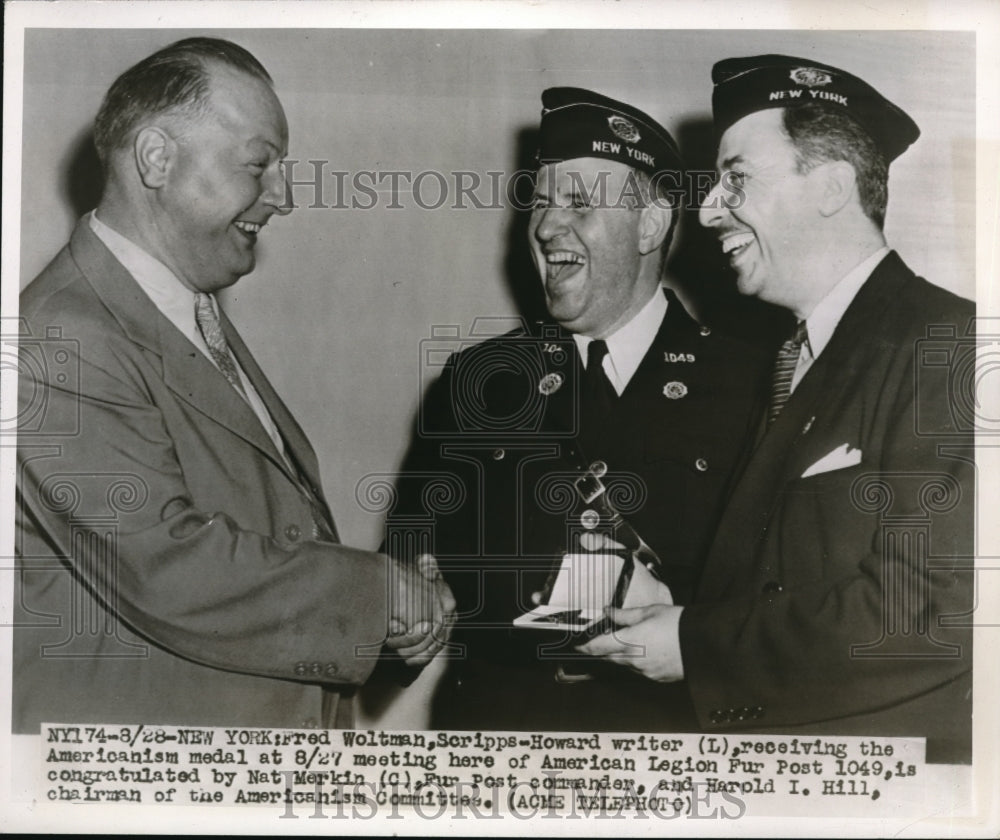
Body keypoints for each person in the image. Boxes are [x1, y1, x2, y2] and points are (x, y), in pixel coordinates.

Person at [14, 37, 454, 732]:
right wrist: (379, 596)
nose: (281, 197)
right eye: (260, 164)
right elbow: (168, 566)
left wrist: (391, 620)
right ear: (157, 158)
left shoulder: (182, 309)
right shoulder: (59, 336)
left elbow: (264, 531)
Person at [580, 55, 974, 763]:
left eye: (736, 178)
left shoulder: (950, 344)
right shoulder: (799, 361)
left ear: (830, 188)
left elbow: (932, 613)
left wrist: (693, 643)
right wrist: (660, 602)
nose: (707, 211)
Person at [387, 88, 767, 731]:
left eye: (579, 204)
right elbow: (409, 552)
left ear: (650, 225)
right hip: (497, 746)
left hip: (668, 749)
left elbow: (778, 607)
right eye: (539, 204)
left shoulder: (752, 384)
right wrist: (413, 599)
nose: (544, 227)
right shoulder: (480, 381)